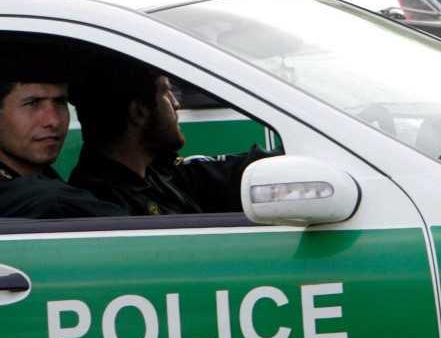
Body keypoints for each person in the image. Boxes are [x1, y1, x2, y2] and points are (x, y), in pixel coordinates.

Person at [69, 64, 276, 216]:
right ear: (139, 112)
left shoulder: (160, 174)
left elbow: (236, 172)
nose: (176, 104)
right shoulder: (103, 205)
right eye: (166, 92)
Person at [0, 55, 124, 219]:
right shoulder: (46, 200)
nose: (53, 120)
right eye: (33, 103)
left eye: (60, 102)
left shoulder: (46, 180)